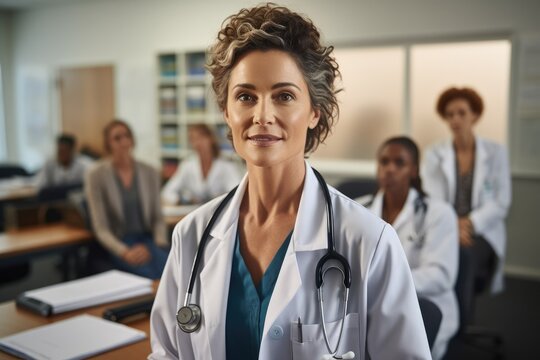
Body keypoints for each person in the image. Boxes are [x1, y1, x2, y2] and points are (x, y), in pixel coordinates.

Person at [150, 4, 430, 359]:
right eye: (245, 97)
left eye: (284, 96)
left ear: (315, 111)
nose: (262, 116)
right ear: (226, 111)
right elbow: (167, 352)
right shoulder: (192, 235)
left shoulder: (369, 243)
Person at [357, 136, 459, 360]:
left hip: (422, 307)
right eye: (384, 162)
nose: (389, 169)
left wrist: (383, 283)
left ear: (413, 170)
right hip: (365, 305)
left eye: (399, 163)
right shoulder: (357, 210)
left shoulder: (438, 213)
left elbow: (440, 275)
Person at [422, 87, 512, 294]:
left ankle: (461, 320)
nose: (455, 119)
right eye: (450, 114)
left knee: (464, 257)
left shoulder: (496, 152)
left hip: (482, 229)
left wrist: (469, 224)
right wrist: (453, 225)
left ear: (475, 115)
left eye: (462, 113)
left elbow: (500, 202)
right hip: (446, 224)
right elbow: (433, 198)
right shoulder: (435, 153)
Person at [85, 119, 168, 279]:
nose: (123, 142)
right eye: (117, 138)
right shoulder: (96, 175)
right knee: (148, 277)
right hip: (120, 242)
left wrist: (159, 244)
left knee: (174, 273)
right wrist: (124, 252)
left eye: (126, 136)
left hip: (148, 240)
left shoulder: (150, 172)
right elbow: (101, 228)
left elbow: (158, 218)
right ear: (108, 144)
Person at [161, 123, 242, 205]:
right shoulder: (187, 165)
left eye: (201, 138)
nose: (198, 143)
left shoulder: (226, 166)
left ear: (211, 139)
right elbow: (167, 192)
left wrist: (220, 201)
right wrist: (183, 200)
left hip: (220, 211)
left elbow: (238, 192)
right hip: (193, 211)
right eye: (193, 139)